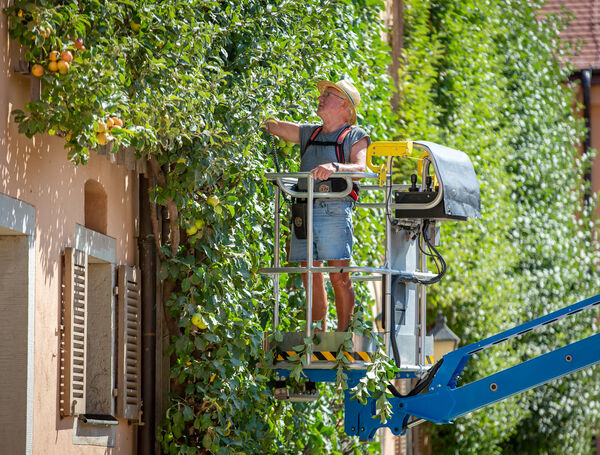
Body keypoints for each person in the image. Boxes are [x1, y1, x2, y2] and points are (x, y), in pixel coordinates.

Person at [264, 79, 369, 332]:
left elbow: (361, 168)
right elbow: (276, 128)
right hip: (304, 209)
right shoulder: (309, 133)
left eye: (328, 94)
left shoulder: (355, 135)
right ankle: (316, 333)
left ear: (344, 105)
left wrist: (334, 168)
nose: (321, 97)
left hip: (334, 209)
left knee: (339, 275)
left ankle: (344, 338)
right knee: (309, 271)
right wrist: (260, 118)